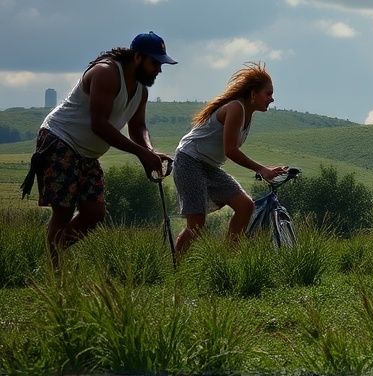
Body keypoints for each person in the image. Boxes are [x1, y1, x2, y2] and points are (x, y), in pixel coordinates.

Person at [22, 31, 178, 266]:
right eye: (155, 62)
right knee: (63, 212)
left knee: (94, 213)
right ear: (137, 57)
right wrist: (142, 153)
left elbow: (138, 127)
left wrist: (150, 152)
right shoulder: (106, 73)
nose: (159, 69)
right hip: (59, 139)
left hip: (87, 152)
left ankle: (54, 256)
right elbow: (100, 125)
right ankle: (55, 272)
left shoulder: (140, 91)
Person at [172, 63, 287, 255]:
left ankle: (227, 260)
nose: (272, 99)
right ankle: (176, 270)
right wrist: (262, 169)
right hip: (189, 160)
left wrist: (265, 168)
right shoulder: (235, 108)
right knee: (196, 225)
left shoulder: (247, 114)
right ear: (253, 93)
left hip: (208, 165)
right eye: (268, 94)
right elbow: (231, 150)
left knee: (245, 206)